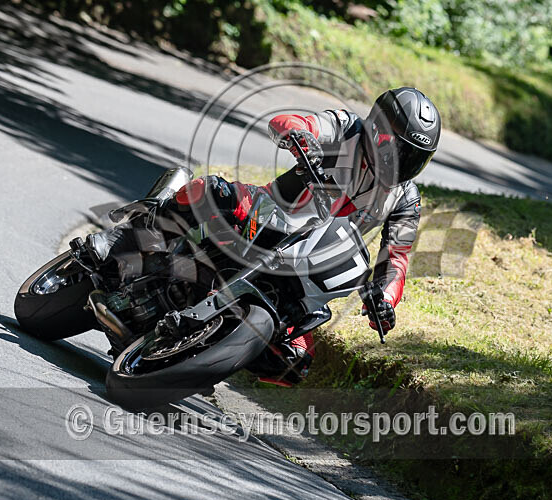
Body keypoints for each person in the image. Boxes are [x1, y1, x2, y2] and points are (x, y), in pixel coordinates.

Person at [172, 87, 441, 385]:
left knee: (292, 364)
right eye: (400, 151)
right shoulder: (346, 128)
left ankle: (203, 360)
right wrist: (301, 138)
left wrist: (385, 300)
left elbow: (396, 257)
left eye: (416, 158)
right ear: (378, 132)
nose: (404, 164)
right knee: (210, 192)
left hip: (308, 266)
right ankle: (127, 238)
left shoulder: (406, 198)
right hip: (268, 217)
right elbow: (291, 122)